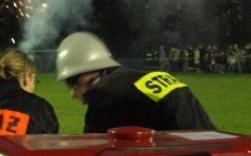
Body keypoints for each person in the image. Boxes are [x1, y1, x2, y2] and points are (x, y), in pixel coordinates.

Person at [55, 32, 215, 134]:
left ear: (91, 74)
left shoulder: (103, 95)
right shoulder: (134, 81)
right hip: (215, 152)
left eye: (72, 83)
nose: (73, 93)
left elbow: (95, 152)